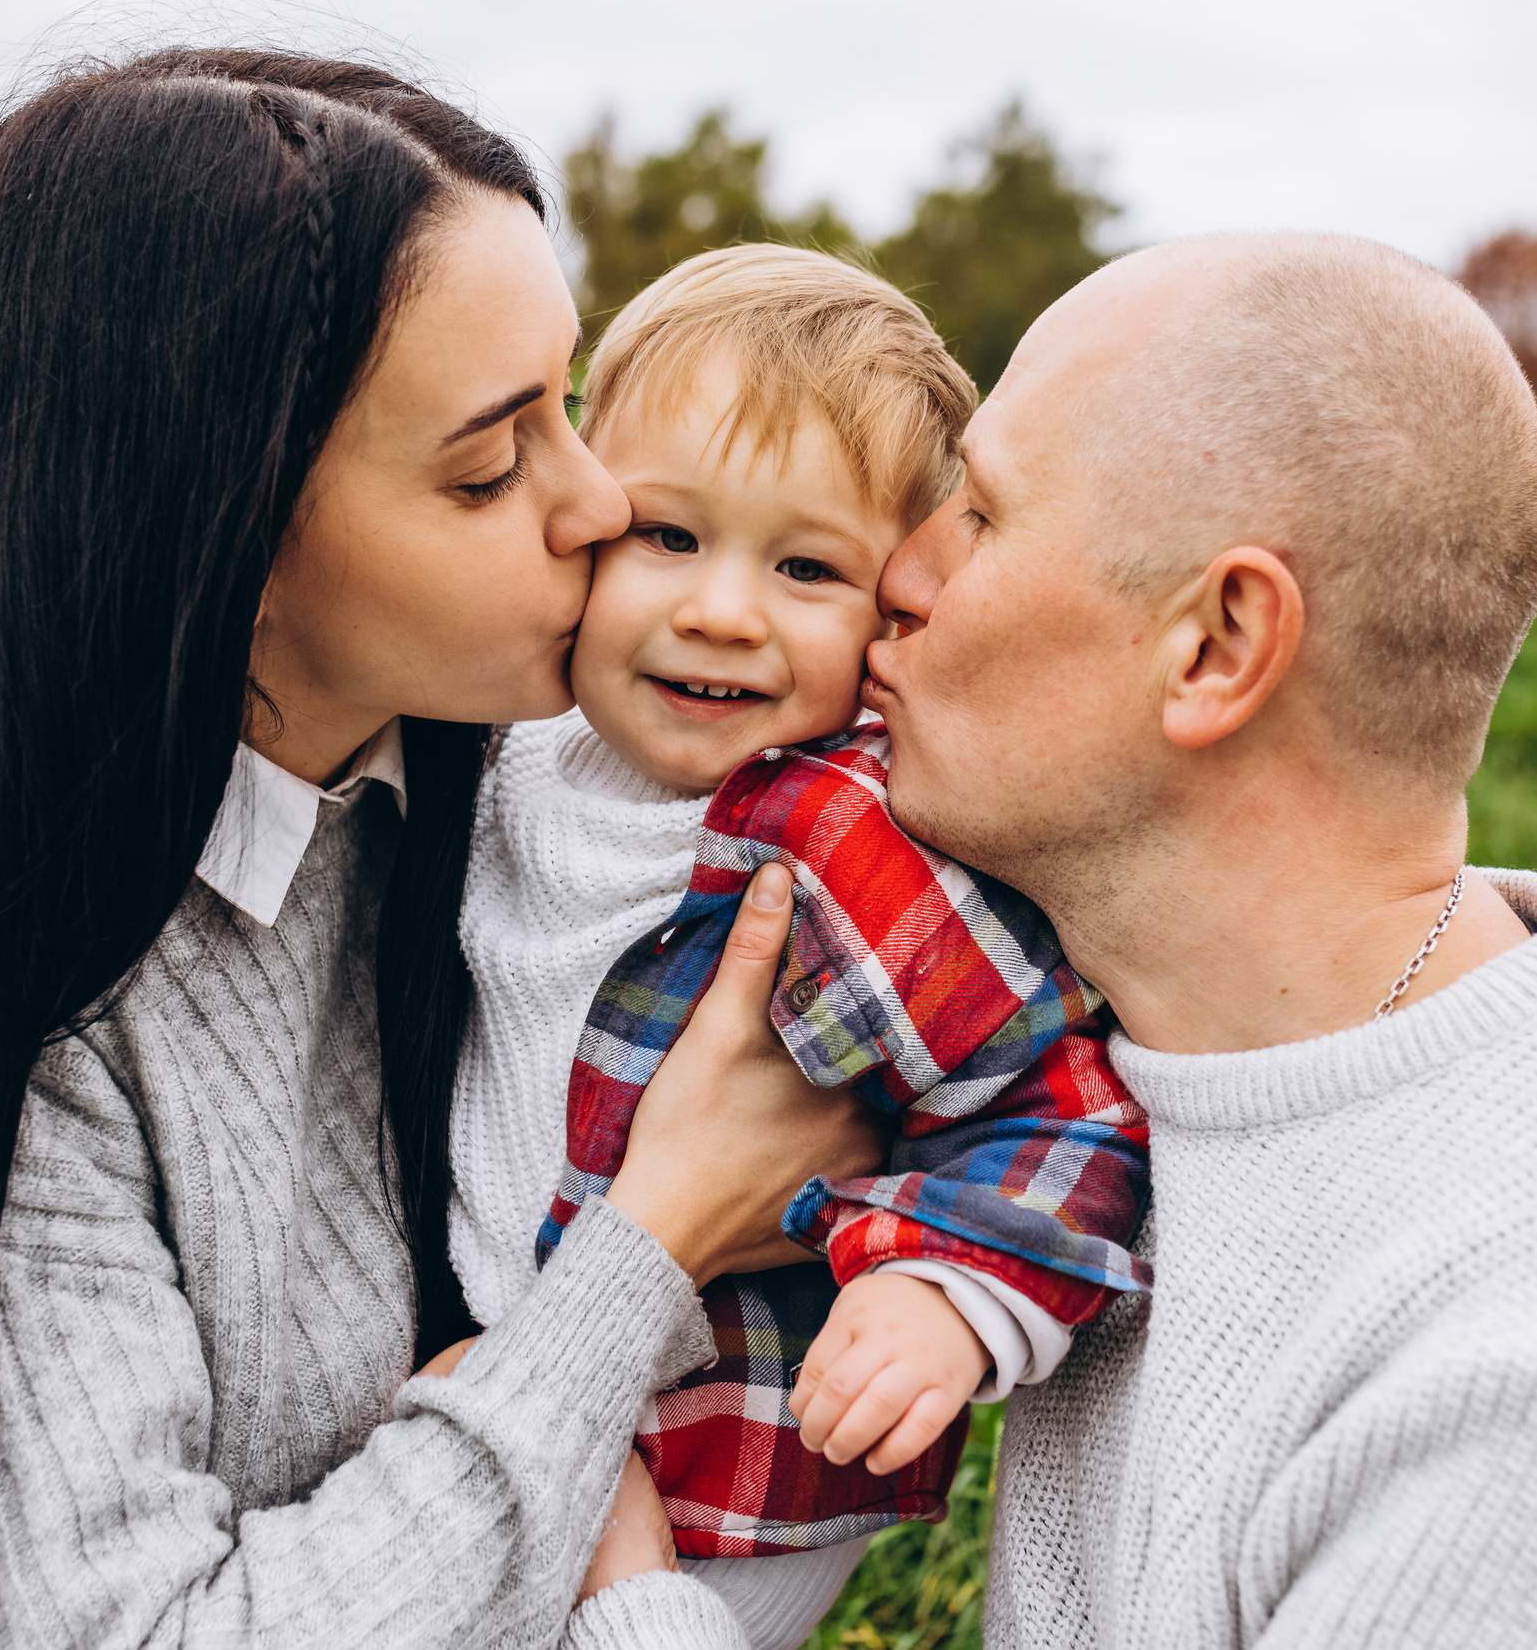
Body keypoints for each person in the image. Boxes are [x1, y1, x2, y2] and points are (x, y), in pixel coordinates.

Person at [0, 51, 880, 1650]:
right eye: (492, 463)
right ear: (224, 534)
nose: (598, 504)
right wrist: (652, 1246)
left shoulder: (480, 793)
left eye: (568, 405)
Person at [862, 230, 1537, 1647]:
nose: (900, 572)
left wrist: (628, 1601)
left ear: (1220, 644)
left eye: (981, 517)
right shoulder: (1130, 1091)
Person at [441, 246, 1149, 1650]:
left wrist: (944, 1296)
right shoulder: (505, 759)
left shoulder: (853, 845)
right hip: (501, 1381)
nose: (722, 609)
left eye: (806, 565)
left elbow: (1066, 1111)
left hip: (727, 1482)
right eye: (669, 535)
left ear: (892, 617)